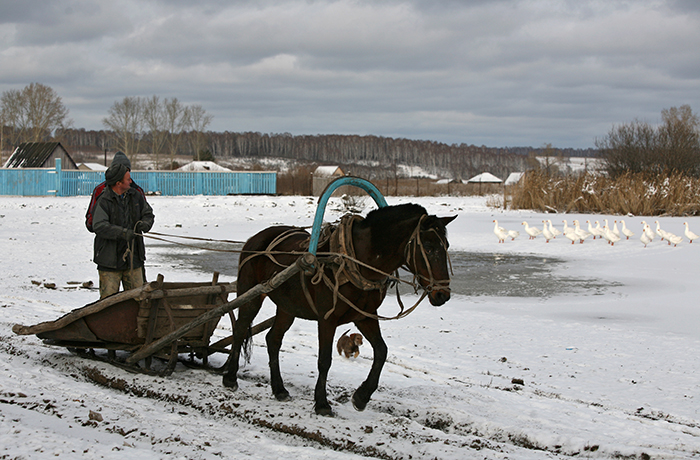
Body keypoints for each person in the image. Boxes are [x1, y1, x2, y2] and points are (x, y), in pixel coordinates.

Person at [93, 162, 155, 299]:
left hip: (134, 259)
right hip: (109, 261)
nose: (131, 181)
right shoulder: (104, 200)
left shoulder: (135, 196)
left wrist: (145, 223)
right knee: (108, 302)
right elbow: (99, 225)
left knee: (139, 299)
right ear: (118, 183)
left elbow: (148, 214)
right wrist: (123, 233)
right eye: (128, 179)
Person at [85, 151, 146, 232]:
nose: (123, 173)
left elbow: (146, 213)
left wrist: (144, 223)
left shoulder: (137, 191)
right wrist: (101, 223)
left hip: (132, 238)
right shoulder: (100, 190)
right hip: (107, 239)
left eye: (126, 170)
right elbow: (91, 222)